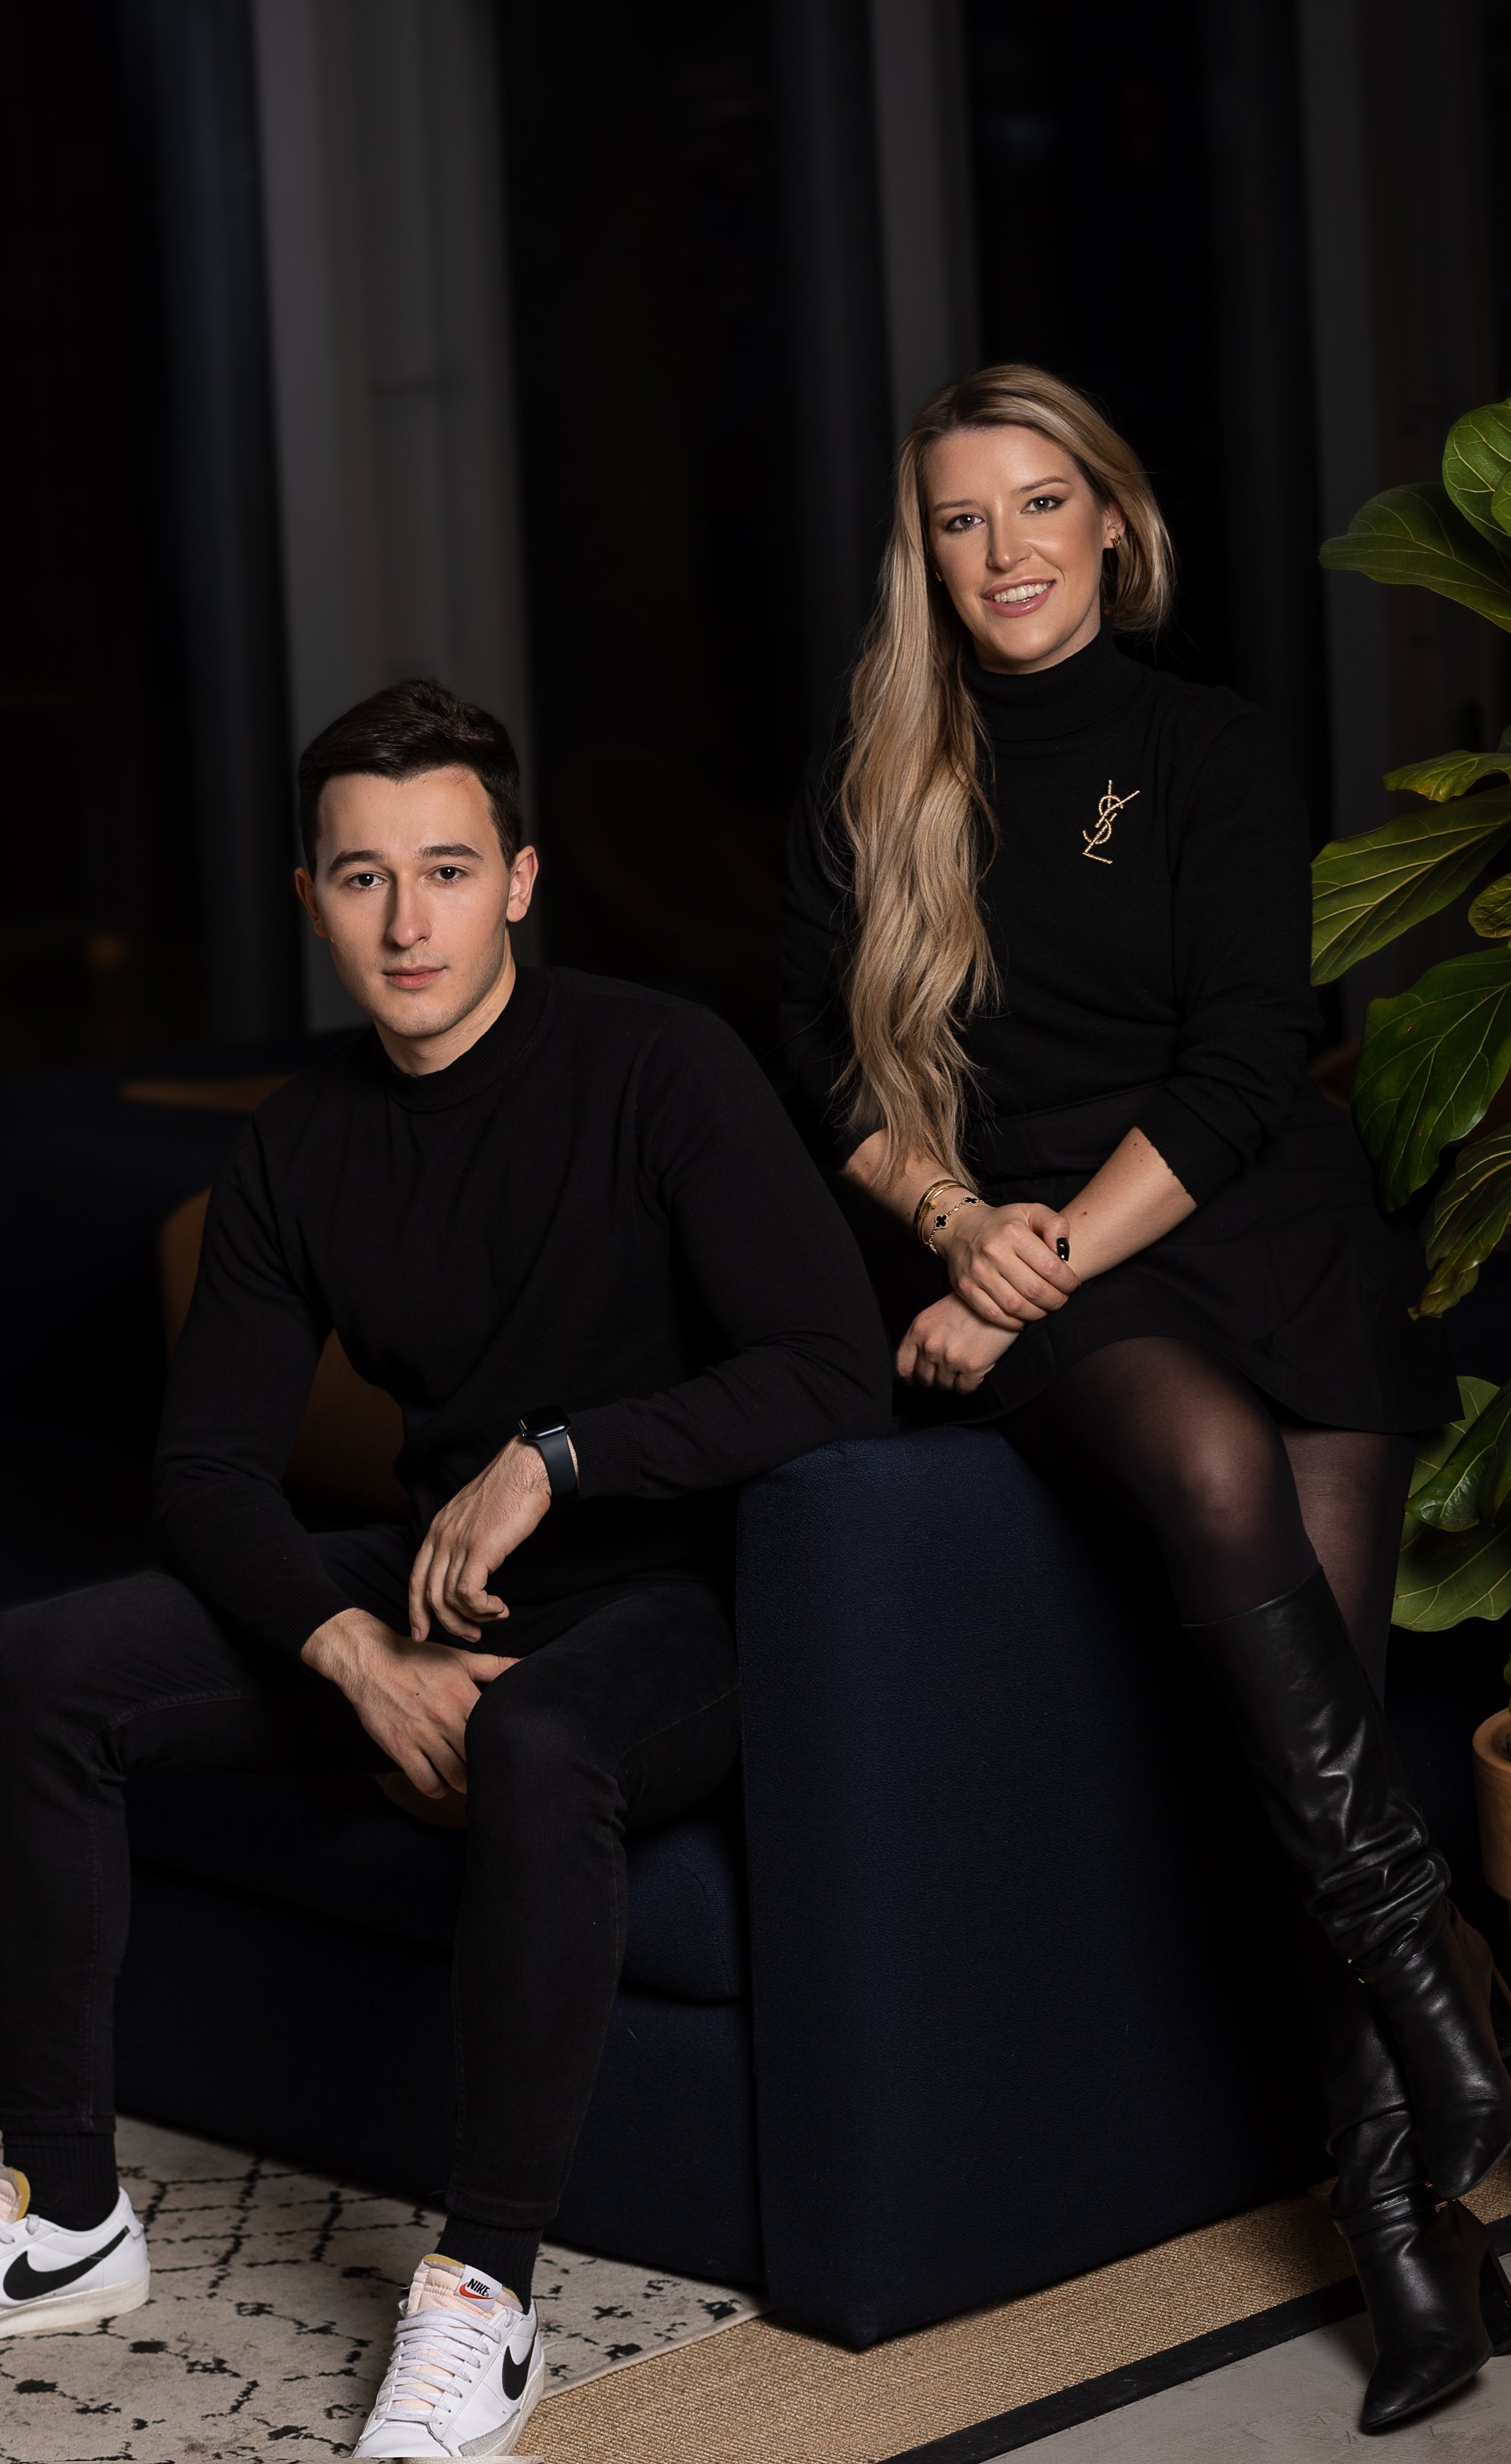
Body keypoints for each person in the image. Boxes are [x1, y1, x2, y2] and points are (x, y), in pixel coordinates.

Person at [0, 679, 888, 2458]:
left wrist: (562, 1457)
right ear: (313, 894)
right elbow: (208, 1470)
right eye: (362, 878)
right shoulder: (301, 1140)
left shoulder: (659, 1067)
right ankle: (76, 2212)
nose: (407, 923)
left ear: (523, 881)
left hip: (679, 1597)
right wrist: (354, 1652)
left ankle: (482, 2301)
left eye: (448, 870)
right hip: (430, 1598)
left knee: (537, 1742)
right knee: (42, 1670)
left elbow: (832, 1369)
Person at [780, 364, 1511, 2435]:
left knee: (1329, 1730)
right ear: (921, 556)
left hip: (1237, 1226)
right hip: (1061, 1272)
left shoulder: (1205, 745)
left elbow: (1241, 1062)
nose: (1008, 550)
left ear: (1112, 521)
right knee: (1208, 1475)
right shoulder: (881, 778)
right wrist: (965, 1232)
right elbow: (834, 1077)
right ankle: (1444, 2025)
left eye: (1044, 506)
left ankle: (1408, 2231)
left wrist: (1029, 1254)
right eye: (963, 519)